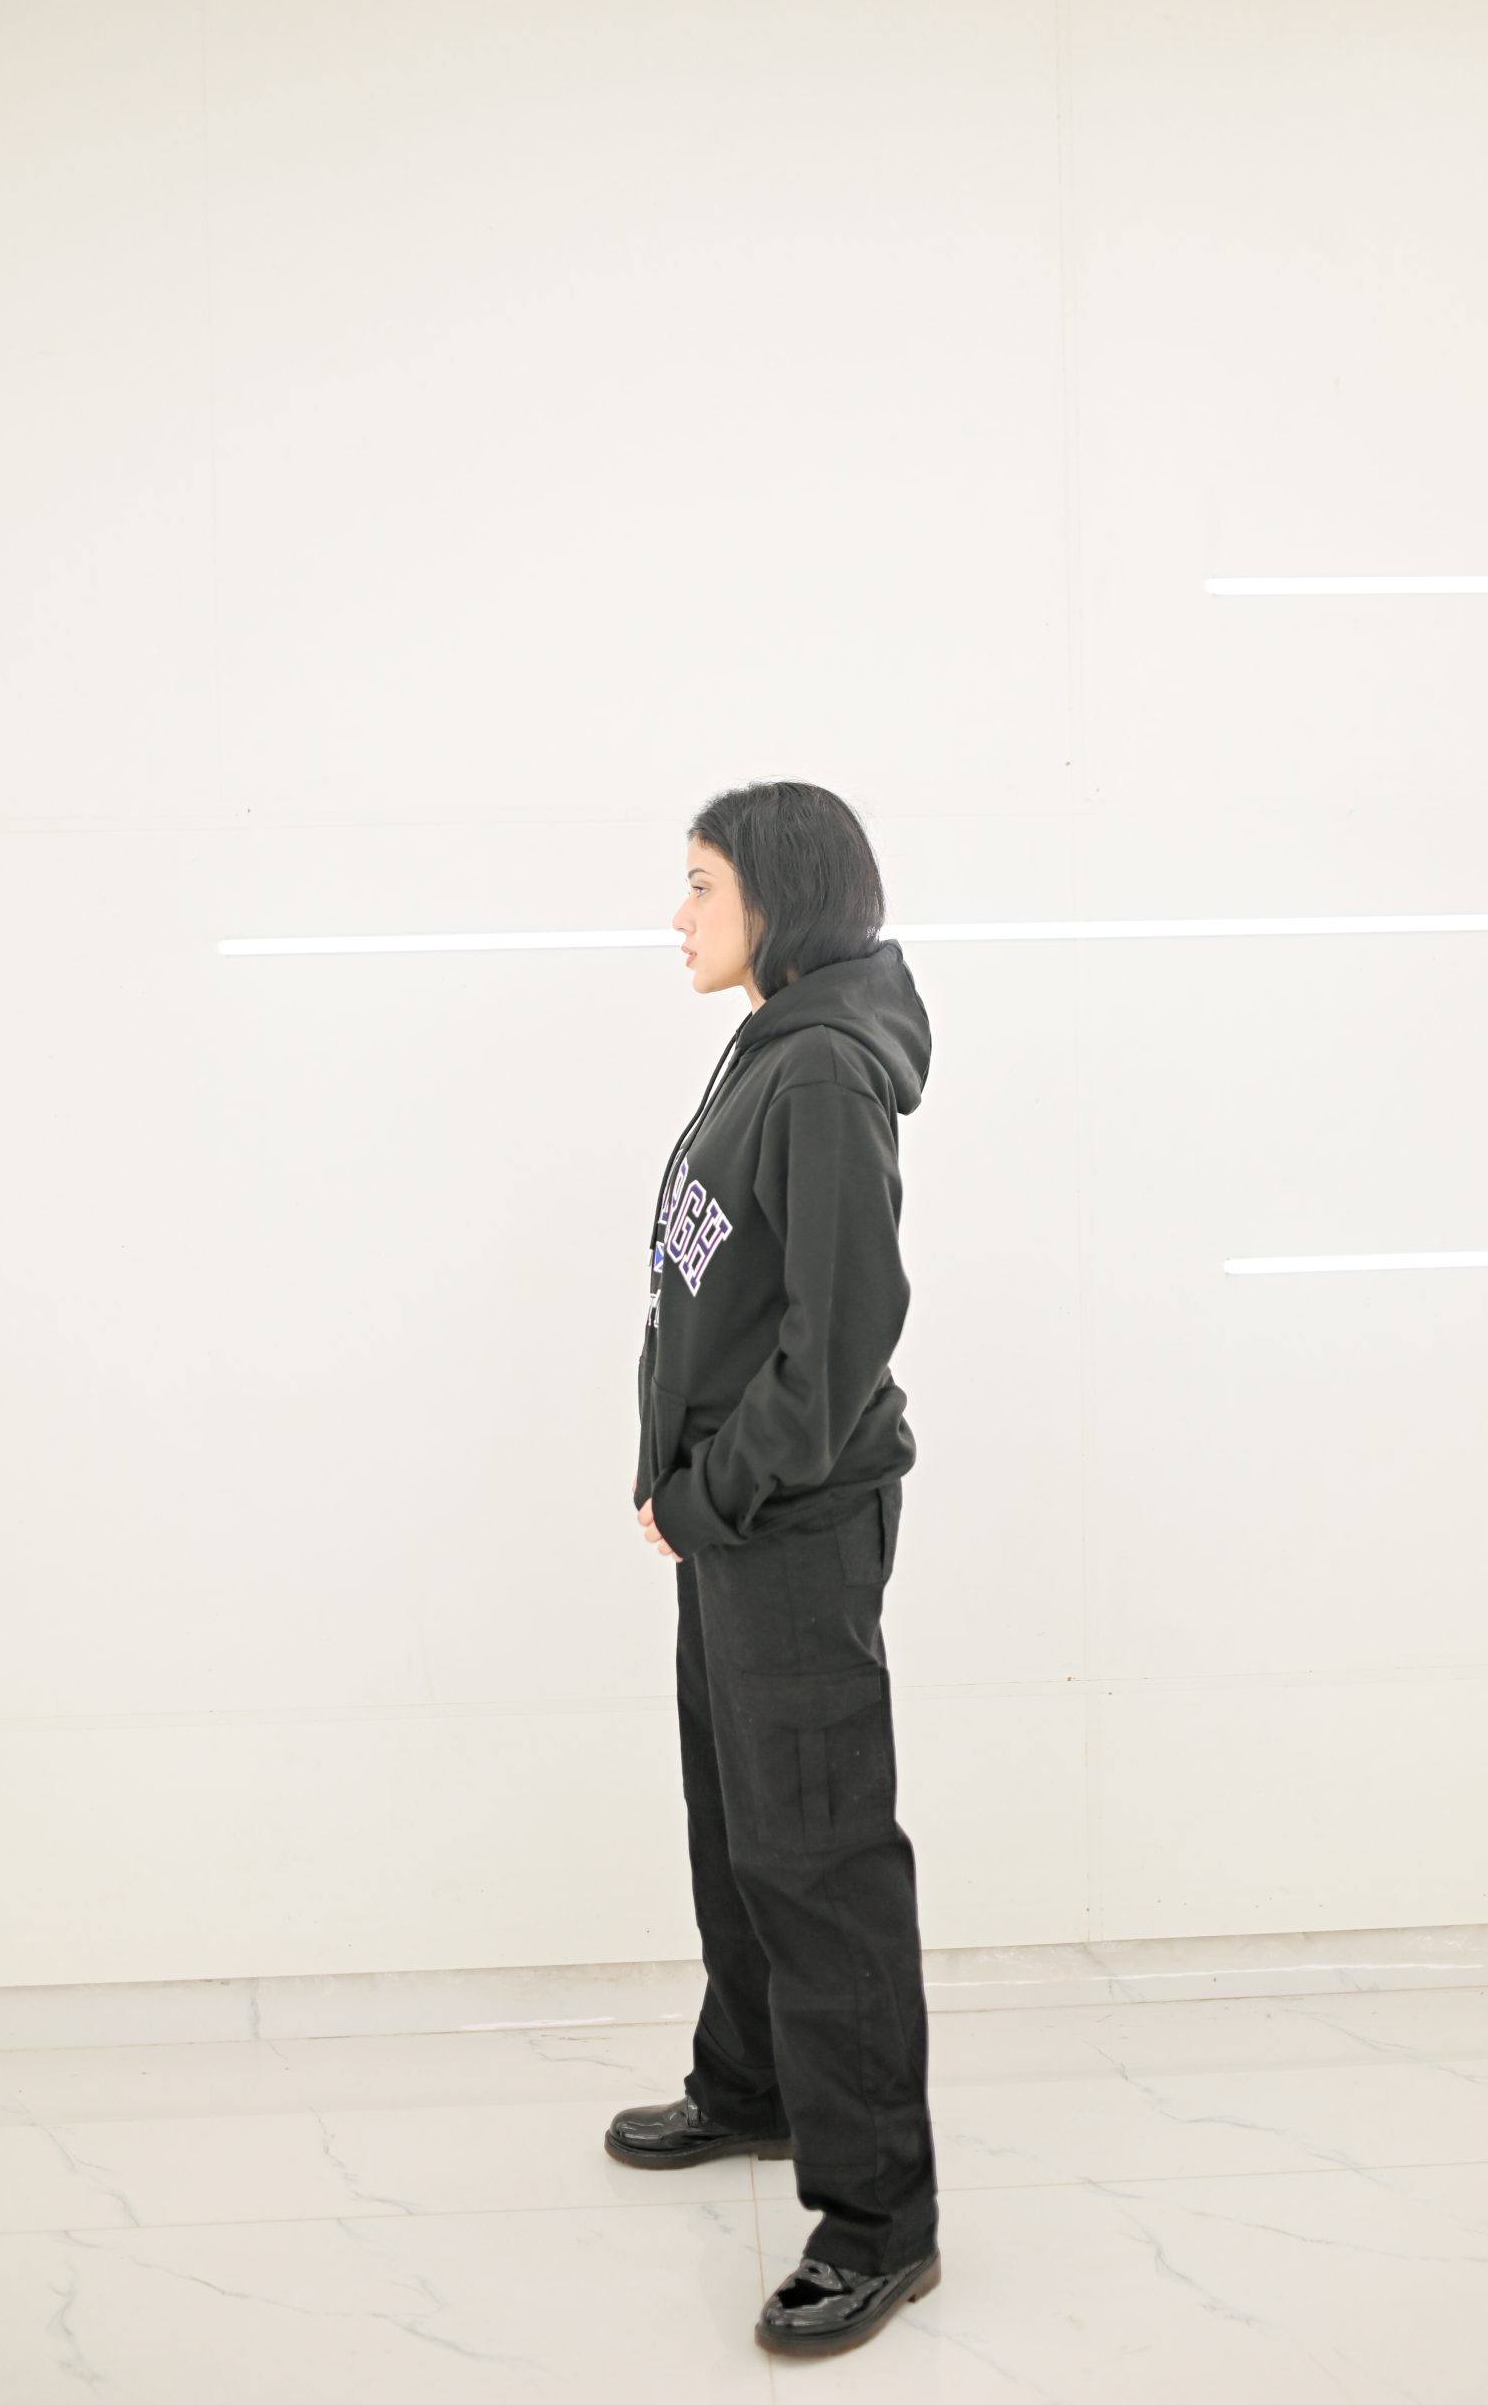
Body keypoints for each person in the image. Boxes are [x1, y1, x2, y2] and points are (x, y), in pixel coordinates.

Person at [605, 779, 942, 2360]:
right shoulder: (768, 1042)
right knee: (736, 1820)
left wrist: (714, 1492)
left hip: (786, 1522)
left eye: (699, 885)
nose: (677, 916)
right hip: (732, 1516)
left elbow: (836, 1343)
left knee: (818, 1858)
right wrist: (676, 1483)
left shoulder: (816, 1070)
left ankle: (877, 2221)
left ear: (778, 897)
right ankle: (749, 2085)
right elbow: (715, 1299)